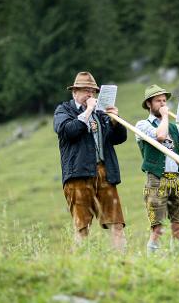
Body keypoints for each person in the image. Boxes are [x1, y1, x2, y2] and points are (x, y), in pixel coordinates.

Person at [53, 71, 127, 250]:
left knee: (116, 223)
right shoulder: (64, 110)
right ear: (74, 92)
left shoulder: (101, 114)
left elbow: (119, 138)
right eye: (86, 90)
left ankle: (122, 262)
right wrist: (87, 111)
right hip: (78, 175)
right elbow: (68, 131)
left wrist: (115, 121)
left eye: (93, 91)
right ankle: (81, 263)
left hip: (104, 172)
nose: (90, 94)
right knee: (82, 226)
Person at [135, 84, 179, 254]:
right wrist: (165, 117)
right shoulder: (142, 125)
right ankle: (152, 262)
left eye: (164, 101)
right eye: (158, 101)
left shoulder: (176, 128)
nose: (163, 104)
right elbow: (160, 136)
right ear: (149, 104)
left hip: (178, 179)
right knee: (157, 228)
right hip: (156, 179)